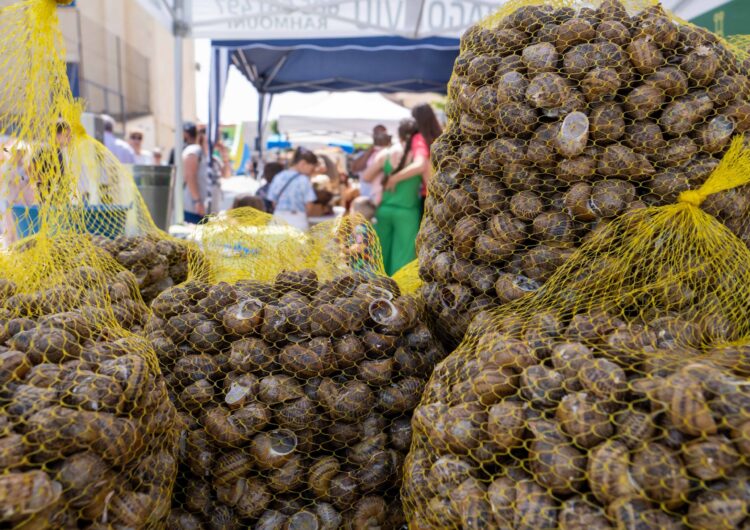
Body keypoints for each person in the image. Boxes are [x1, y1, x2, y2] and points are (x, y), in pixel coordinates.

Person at [374, 118, 422, 276]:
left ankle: (376, 288)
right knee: (404, 258)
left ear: (399, 134)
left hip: (384, 210)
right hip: (407, 212)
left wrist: (388, 176)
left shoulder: (385, 154)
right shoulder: (417, 155)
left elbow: (367, 176)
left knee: (380, 254)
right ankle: (399, 295)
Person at [386, 103, 442, 211]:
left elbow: (420, 165)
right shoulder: (441, 136)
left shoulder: (419, 138)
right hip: (448, 191)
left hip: (431, 197)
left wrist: (394, 178)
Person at [267, 147, 319, 231]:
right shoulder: (304, 180)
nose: (311, 172)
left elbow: (273, 202)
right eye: (311, 168)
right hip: (298, 221)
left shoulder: (278, 176)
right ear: (303, 163)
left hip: (278, 220)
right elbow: (309, 205)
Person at [182, 122, 209, 224]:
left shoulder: (211, 156)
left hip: (209, 211)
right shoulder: (194, 150)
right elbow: (189, 175)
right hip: (195, 210)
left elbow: (226, 174)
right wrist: (197, 201)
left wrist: (224, 155)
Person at [346, 196, 378, 275]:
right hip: (370, 267)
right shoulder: (370, 226)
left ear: (357, 215)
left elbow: (360, 246)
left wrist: (345, 251)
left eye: (351, 210)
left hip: (362, 270)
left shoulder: (360, 229)